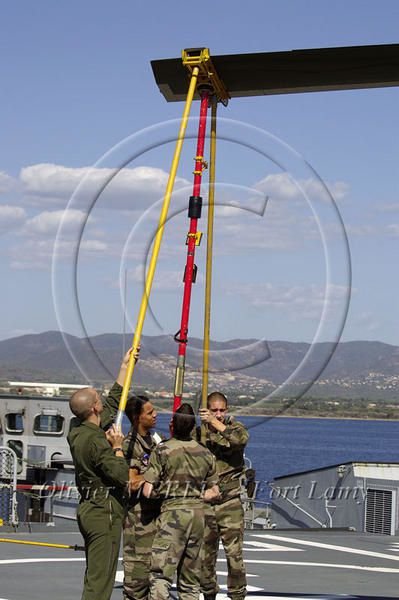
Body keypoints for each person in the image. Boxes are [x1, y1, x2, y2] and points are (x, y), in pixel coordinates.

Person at [68, 349, 137, 600]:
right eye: (98, 398)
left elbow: (111, 404)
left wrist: (125, 367)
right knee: (100, 582)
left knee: (94, 574)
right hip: (103, 512)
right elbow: (122, 476)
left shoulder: (76, 428)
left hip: (88, 508)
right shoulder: (97, 442)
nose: (102, 399)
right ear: (94, 408)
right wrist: (117, 446)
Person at [143, 403, 220, 600]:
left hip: (173, 515)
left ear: (173, 425)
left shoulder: (163, 450)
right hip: (197, 516)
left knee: (161, 574)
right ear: (193, 427)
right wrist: (194, 496)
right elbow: (214, 491)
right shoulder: (205, 453)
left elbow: (147, 490)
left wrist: (165, 493)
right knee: (190, 579)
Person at [199, 391, 249, 600]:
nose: (218, 414)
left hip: (230, 502)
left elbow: (239, 440)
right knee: (205, 557)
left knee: (234, 556)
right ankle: (209, 593)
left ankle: (237, 595)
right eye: (214, 410)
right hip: (206, 503)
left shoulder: (235, 429)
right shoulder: (198, 434)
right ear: (206, 410)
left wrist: (215, 423)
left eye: (222, 410)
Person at [122, 394, 161, 600]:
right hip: (138, 521)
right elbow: (132, 482)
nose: (155, 415)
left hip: (155, 518)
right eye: (150, 412)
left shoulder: (154, 440)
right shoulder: (131, 445)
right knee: (137, 580)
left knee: (153, 576)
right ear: (137, 417)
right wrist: (154, 476)